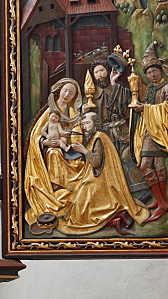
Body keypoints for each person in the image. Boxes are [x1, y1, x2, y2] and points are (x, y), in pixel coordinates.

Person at [56, 112, 150, 235]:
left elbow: (96, 162)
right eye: (83, 124)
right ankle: (117, 218)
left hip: (101, 180)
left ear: (96, 124)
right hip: (96, 177)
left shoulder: (99, 137)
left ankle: (115, 218)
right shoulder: (95, 136)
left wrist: (83, 150)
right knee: (77, 201)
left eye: (87, 123)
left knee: (81, 209)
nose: (85, 127)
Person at [132, 44, 168, 222]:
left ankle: (162, 203)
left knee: (151, 167)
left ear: (160, 71)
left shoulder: (167, 88)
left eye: (154, 71)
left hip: (161, 132)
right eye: (149, 72)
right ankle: (162, 202)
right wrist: (141, 108)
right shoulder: (151, 89)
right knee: (149, 166)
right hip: (149, 130)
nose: (152, 75)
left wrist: (146, 108)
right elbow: (148, 106)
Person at [23, 78, 82, 226]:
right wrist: (46, 142)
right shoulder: (50, 112)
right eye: (65, 90)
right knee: (53, 153)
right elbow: (36, 135)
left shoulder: (72, 112)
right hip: (50, 150)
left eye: (71, 92)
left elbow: (77, 132)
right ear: (59, 91)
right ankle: (56, 187)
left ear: (74, 97)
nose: (67, 94)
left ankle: (69, 189)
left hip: (68, 149)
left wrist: (71, 139)